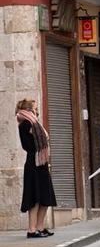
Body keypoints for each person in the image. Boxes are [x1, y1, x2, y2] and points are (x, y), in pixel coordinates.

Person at [16, 99, 57, 238]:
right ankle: (32, 229)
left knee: (45, 196)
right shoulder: (25, 123)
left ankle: (40, 227)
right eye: (35, 107)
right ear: (28, 109)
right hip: (34, 163)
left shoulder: (34, 123)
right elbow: (28, 146)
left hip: (41, 162)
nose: (37, 110)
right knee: (34, 198)